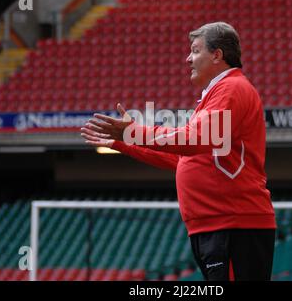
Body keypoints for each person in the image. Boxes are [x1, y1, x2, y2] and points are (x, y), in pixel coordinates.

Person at [81, 22, 276, 281]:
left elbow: (195, 139)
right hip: (221, 224)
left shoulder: (230, 89)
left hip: (233, 225)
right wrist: (124, 143)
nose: (188, 58)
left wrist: (134, 133)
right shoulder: (218, 93)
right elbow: (184, 157)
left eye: (195, 51)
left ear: (217, 55)